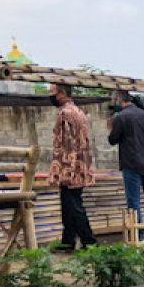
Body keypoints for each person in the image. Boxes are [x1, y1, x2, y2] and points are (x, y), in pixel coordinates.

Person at [48, 84, 97, 250]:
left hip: (70, 167)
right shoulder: (78, 112)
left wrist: (64, 171)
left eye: (52, 93)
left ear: (62, 93)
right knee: (68, 205)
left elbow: (66, 144)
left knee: (74, 205)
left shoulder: (65, 114)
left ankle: (89, 241)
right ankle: (68, 240)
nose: (51, 97)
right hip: (80, 165)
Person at [107, 90, 144, 223]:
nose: (114, 103)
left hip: (131, 164)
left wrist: (110, 128)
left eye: (115, 100)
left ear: (119, 99)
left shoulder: (121, 117)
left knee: (134, 202)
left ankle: (140, 235)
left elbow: (113, 140)